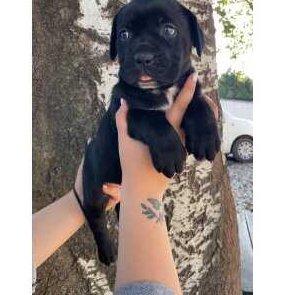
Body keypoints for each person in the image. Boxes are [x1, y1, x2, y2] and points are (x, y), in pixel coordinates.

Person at [33, 73, 218, 295]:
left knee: (99, 202)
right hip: (104, 172)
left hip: (103, 176)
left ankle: (112, 213)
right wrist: (145, 192)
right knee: (95, 207)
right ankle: (102, 237)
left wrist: (75, 201)